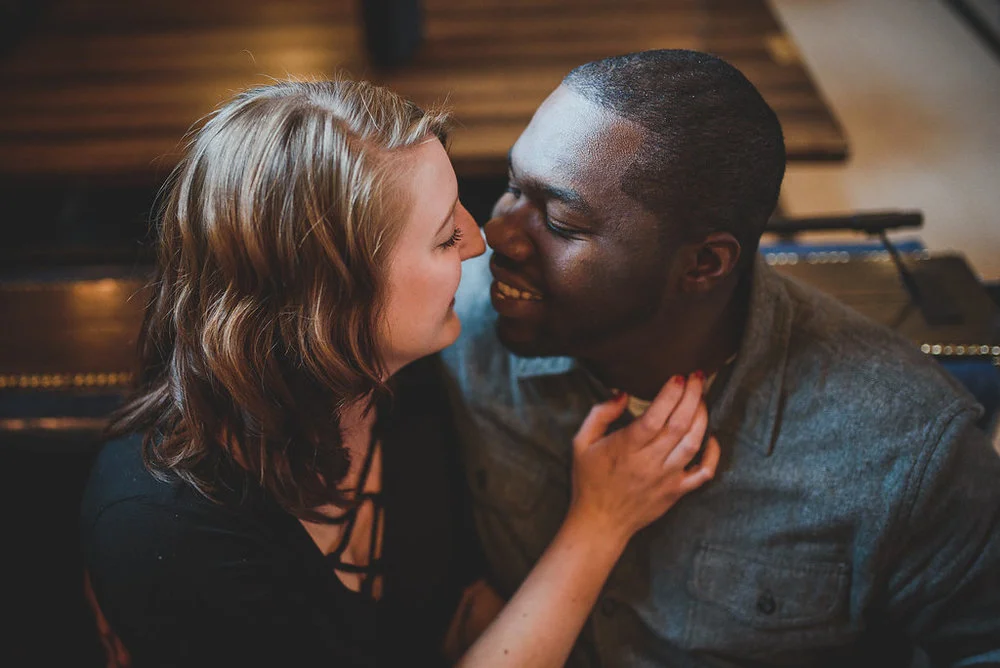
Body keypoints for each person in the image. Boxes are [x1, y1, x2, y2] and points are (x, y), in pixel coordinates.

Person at [78, 79, 721, 668]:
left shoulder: (406, 385)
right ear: (334, 304)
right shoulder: (167, 529)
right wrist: (599, 522)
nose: (478, 240)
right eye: (445, 237)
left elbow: (453, 610)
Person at [441, 49, 1000, 667]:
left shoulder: (906, 447)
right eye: (512, 187)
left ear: (704, 264)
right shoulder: (455, 320)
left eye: (561, 221)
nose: (496, 235)